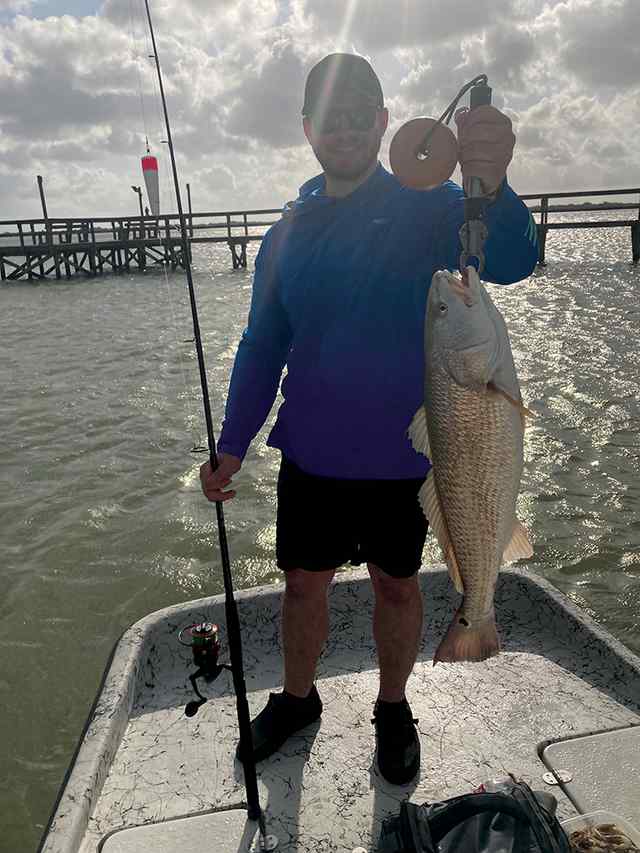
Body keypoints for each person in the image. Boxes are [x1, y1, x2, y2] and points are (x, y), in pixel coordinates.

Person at [200, 53, 538, 786]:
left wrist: (494, 182)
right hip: (313, 453)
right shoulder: (287, 231)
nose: (345, 126)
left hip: (410, 461)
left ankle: (392, 705)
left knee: (398, 585)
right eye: (330, 116)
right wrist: (232, 446)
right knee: (301, 586)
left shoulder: (428, 206)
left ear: (384, 123)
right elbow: (262, 345)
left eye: (360, 112)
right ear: (307, 129)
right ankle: (297, 698)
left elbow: (512, 258)